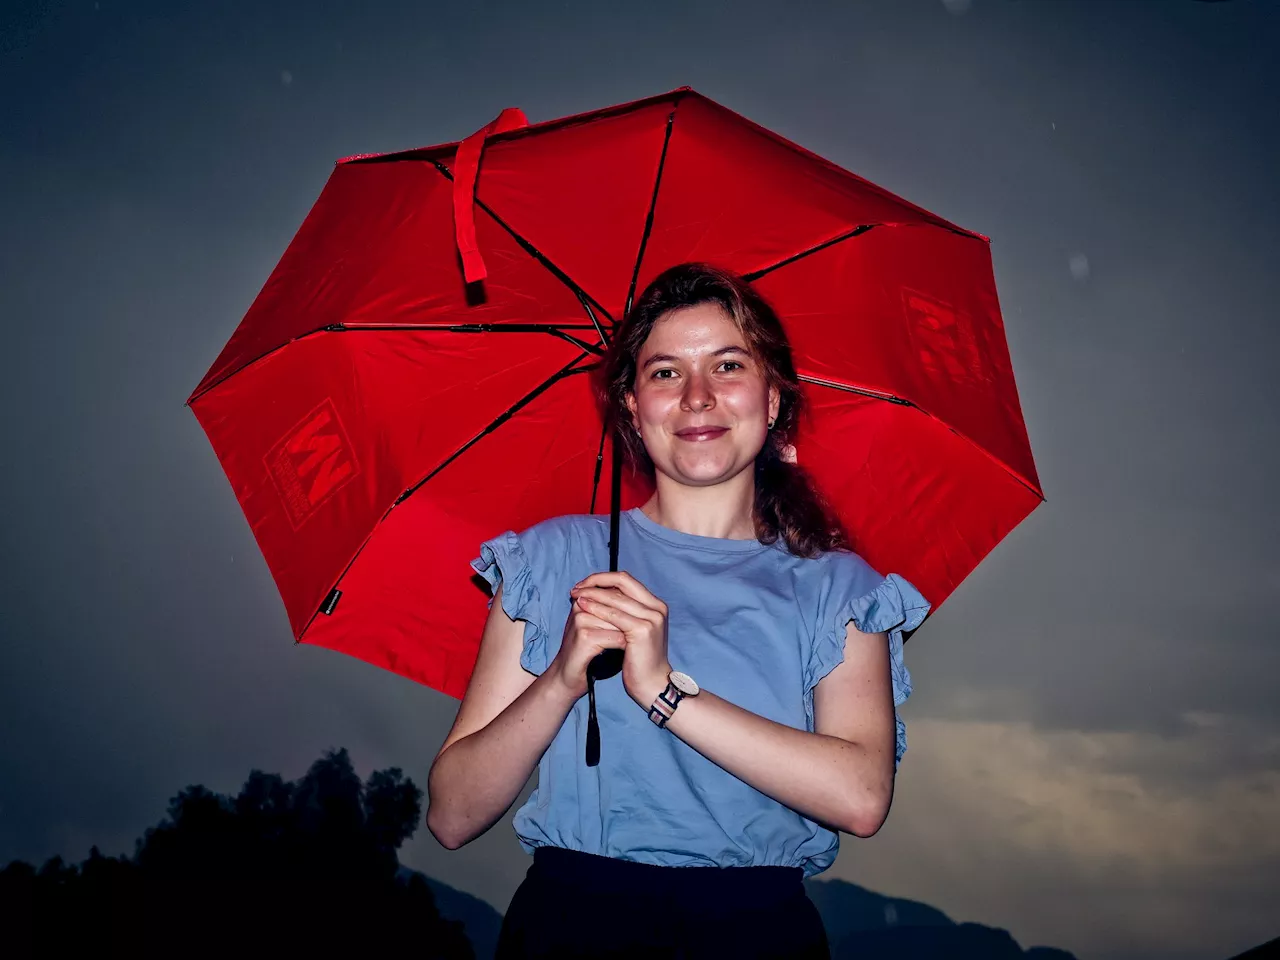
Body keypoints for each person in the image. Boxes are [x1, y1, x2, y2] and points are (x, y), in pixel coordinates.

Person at [426, 263, 929, 959]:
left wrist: (663, 692)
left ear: (774, 396)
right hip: (569, 929)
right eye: (665, 373)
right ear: (631, 404)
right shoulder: (553, 559)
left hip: (756, 935)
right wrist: (562, 678)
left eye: (727, 365)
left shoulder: (837, 589)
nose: (697, 396)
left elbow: (862, 796)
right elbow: (452, 814)